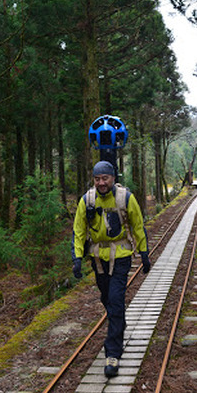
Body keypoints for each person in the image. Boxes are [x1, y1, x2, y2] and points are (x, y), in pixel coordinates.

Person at [71, 160, 150, 377]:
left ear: (113, 178)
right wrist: (77, 258)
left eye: (105, 178)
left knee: (115, 300)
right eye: (97, 179)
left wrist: (144, 253)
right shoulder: (87, 201)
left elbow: (137, 225)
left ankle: (112, 354)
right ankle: (119, 324)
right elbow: (78, 231)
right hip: (98, 259)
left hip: (121, 256)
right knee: (107, 299)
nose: (101, 183)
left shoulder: (126, 198)